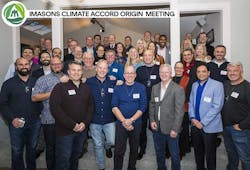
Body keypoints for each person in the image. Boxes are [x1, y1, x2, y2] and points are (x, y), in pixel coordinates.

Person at [50, 61, 94, 170]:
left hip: (81, 131)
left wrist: (84, 123)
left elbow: (91, 107)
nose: (76, 72)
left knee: (75, 156)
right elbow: (55, 109)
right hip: (65, 132)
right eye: (73, 70)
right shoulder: (60, 87)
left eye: (79, 70)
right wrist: (72, 125)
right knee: (63, 159)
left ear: (82, 72)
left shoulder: (86, 88)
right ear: (68, 72)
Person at [0, 57, 42, 170]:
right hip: (16, 123)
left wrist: (41, 112)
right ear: (16, 66)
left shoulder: (36, 81)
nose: (24, 66)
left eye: (26, 64)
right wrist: (12, 119)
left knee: (32, 149)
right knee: (17, 150)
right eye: (20, 64)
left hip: (34, 123)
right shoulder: (8, 84)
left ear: (30, 65)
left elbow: (41, 98)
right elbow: (3, 104)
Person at [32, 56, 67, 170]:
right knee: (51, 148)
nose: (56, 65)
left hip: (66, 121)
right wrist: (52, 92)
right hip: (50, 119)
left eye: (58, 63)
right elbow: (35, 97)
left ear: (62, 64)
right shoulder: (43, 79)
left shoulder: (69, 78)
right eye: (54, 64)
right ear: (50, 65)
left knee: (63, 148)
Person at [188, 63, 224, 170]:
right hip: (195, 125)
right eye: (198, 72)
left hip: (209, 126)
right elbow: (191, 103)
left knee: (210, 154)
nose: (201, 74)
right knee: (198, 152)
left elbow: (217, 107)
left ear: (208, 73)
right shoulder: (195, 85)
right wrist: (193, 118)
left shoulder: (217, 85)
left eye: (204, 71)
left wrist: (202, 122)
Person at [149, 64, 185, 170]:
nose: (164, 74)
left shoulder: (177, 89)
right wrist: (152, 120)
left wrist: (175, 129)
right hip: (157, 127)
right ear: (159, 74)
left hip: (171, 129)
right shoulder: (155, 88)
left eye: (166, 72)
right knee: (159, 153)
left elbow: (180, 112)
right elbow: (152, 105)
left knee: (174, 155)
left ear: (171, 74)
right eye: (162, 72)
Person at [112, 65, 147, 170]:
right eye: (127, 73)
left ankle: (132, 167)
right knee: (119, 150)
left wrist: (131, 120)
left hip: (136, 123)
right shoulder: (118, 88)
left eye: (132, 73)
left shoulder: (141, 87)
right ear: (124, 75)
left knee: (134, 148)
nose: (129, 75)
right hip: (120, 123)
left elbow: (143, 106)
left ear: (135, 75)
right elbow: (114, 106)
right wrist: (124, 121)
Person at [86, 59, 116, 170]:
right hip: (94, 119)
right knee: (97, 145)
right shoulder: (88, 82)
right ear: (96, 68)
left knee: (112, 141)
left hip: (109, 118)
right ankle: (101, 166)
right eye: (100, 67)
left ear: (108, 70)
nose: (102, 70)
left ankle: (107, 147)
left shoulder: (112, 82)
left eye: (105, 68)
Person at [222, 62, 250, 170]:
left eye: (235, 71)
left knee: (245, 157)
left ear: (241, 72)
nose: (232, 73)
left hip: (241, 129)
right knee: (231, 155)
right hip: (226, 128)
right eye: (229, 71)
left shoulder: (247, 87)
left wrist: (241, 125)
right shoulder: (225, 85)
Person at [136, 50, 161, 160]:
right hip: (142, 103)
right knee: (141, 128)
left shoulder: (159, 68)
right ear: (142, 57)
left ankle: (159, 149)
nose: (147, 57)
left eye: (149, 55)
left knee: (156, 126)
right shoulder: (139, 69)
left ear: (153, 57)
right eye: (145, 55)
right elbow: (135, 85)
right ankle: (142, 148)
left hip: (155, 103)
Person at [172, 61, 191, 158]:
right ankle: (171, 149)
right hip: (171, 110)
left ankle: (182, 150)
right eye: (177, 67)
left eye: (180, 68)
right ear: (174, 69)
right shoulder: (170, 79)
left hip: (184, 109)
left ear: (183, 69)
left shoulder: (188, 80)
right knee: (172, 129)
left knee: (183, 131)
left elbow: (187, 96)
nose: (178, 69)